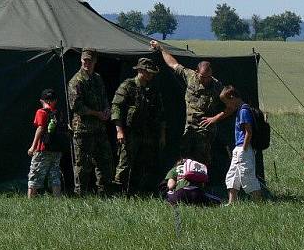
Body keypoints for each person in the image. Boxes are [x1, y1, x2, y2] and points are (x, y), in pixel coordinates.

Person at [149, 39, 231, 166]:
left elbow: (231, 106)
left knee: (202, 161)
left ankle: (201, 185)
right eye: (203, 77)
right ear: (197, 72)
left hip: (205, 130)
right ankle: (184, 184)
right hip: (189, 127)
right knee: (184, 159)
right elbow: (173, 64)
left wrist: (215, 118)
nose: (205, 80)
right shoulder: (190, 76)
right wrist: (161, 48)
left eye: (208, 77)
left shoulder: (217, 86)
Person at [111, 57, 165, 195]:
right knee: (124, 164)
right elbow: (116, 107)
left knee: (142, 165)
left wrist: (161, 135)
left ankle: (135, 193)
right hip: (130, 133)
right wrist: (119, 130)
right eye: (149, 72)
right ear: (140, 70)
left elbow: (160, 114)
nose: (151, 75)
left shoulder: (152, 90)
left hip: (147, 134)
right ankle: (118, 193)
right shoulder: (128, 86)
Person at [67, 48, 113, 196]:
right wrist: (97, 114)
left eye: (89, 60)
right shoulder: (76, 81)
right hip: (83, 129)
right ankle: (80, 195)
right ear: (81, 60)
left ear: (95, 61)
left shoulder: (97, 78)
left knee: (104, 162)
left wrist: (107, 110)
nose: (87, 63)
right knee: (83, 164)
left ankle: (104, 193)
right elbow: (76, 107)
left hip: (99, 128)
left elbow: (104, 97)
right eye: (84, 60)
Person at [219, 85, 262, 205]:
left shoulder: (244, 111)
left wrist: (244, 148)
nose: (228, 106)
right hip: (239, 148)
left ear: (232, 97)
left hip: (244, 148)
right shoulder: (240, 110)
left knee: (247, 175)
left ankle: (258, 203)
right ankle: (232, 202)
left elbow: (249, 132)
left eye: (227, 102)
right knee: (232, 175)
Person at [27, 89, 65, 198]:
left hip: (42, 149)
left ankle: (30, 202)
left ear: (42, 100)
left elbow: (40, 128)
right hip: (56, 150)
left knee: (35, 175)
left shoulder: (41, 112)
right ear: (55, 100)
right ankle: (57, 200)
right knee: (55, 175)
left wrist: (33, 147)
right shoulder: (58, 113)